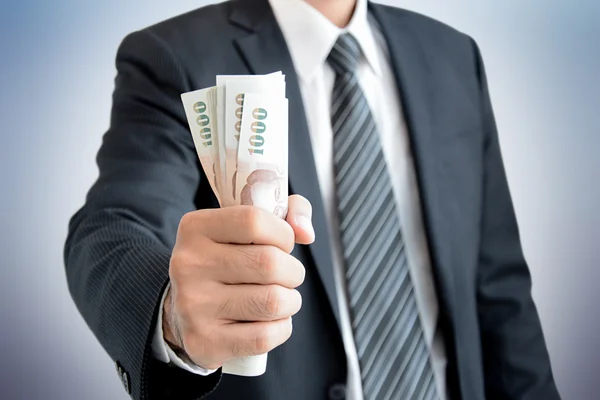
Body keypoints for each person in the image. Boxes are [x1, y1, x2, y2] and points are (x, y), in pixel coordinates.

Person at [64, 0, 562, 399]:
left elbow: (500, 293)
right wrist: (173, 314)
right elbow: (114, 226)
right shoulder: (173, 55)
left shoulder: (453, 56)